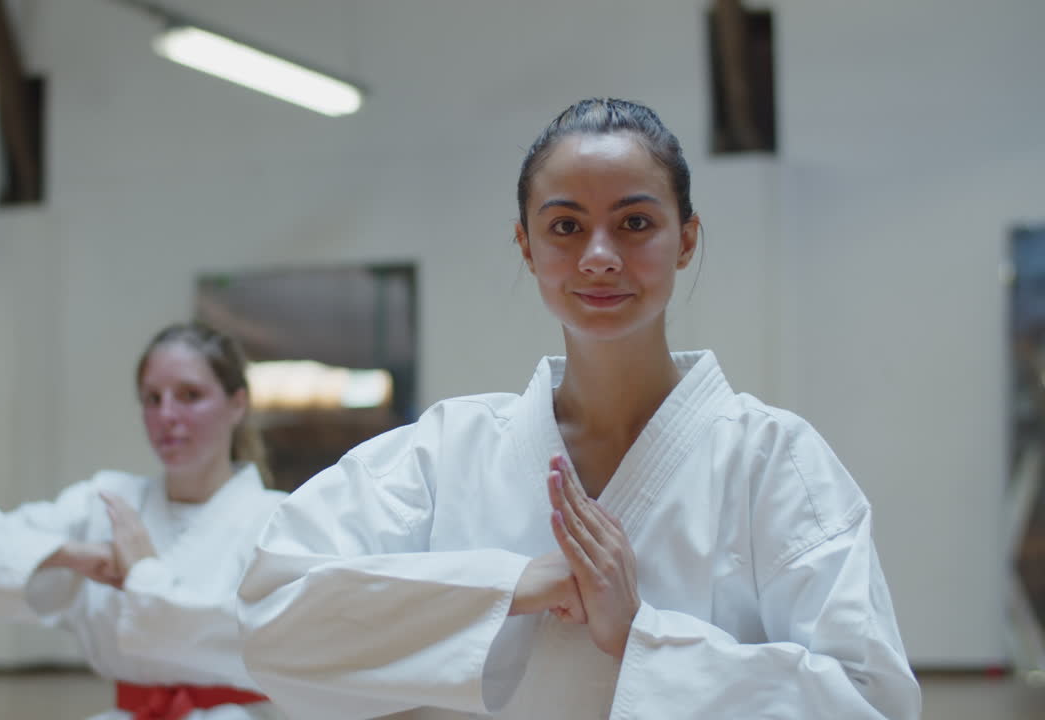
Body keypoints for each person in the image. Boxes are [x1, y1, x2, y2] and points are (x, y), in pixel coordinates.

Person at [236, 98, 921, 719]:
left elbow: (873, 703)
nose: (599, 256)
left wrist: (643, 640)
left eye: (635, 223)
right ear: (526, 245)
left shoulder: (770, 461)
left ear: (685, 239)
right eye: (566, 225)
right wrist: (511, 586)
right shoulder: (448, 452)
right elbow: (273, 614)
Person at [0, 322, 287, 720]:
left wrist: (144, 574)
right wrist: (70, 554)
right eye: (152, 399)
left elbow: (260, 635)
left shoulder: (279, 520)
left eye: (190, 395)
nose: (167, 415)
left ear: (237, 404)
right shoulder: (110, 502)